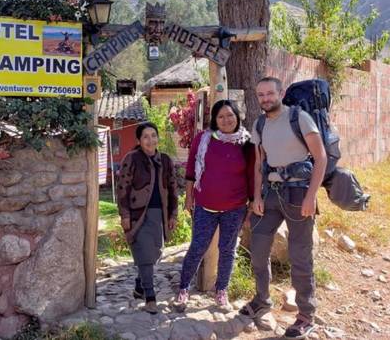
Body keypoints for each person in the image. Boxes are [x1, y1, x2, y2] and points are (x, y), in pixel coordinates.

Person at [240, 77, 327, 340]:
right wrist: (256, 196)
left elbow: (320, 157)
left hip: (299, 194)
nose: (265, 98)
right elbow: (259, 165)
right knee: (258, 249)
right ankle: (261, 299)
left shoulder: (299, 118)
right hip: (270, 194)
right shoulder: (259, 124)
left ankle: (306, 315)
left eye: (270, 93)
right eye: (261, 95)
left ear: (281, 93)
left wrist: (311, 196)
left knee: (300, 255)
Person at [174, 100, 254, 309]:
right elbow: (191, 171)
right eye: (221, 116)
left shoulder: (247, 143)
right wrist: (189, 198)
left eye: (230, 115)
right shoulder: (203, 139)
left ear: (237, 116)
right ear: (215, 120)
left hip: (235, 207)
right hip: (205, 206)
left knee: (227, 250)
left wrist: (252, 204)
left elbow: (252, 175)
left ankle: (221, 291)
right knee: (197, 247)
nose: (226, 120)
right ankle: (183, 289)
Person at [116, 122, 178, 314]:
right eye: (145, 137)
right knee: (144, 253)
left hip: (159, 215)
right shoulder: (132, 159)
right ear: (139, 140)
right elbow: (122, 188)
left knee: (154, 253)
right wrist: (125, 214)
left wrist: (173, 214)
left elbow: (173, 189)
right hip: (138, 215)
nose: (150, 140)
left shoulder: (165, 160)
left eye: (153, 135)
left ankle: (139, 285)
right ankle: (150, 297)